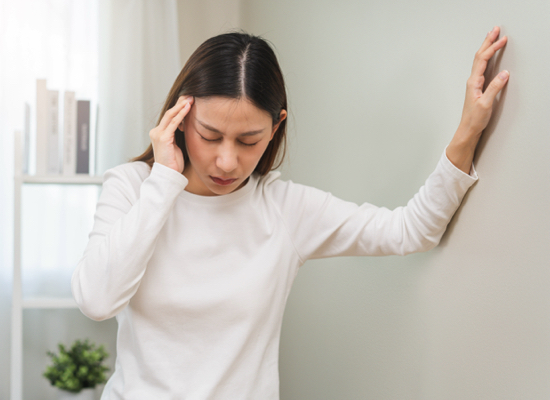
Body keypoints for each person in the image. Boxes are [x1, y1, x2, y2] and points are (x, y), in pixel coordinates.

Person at [72, 28, 509, 399]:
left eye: (248, 140)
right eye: (210, 135)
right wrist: (164, 183)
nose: (227, 161)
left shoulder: (283, 209)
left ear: (276, 127)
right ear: (180, 118)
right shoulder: (133, 187)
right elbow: (96, 300)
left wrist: (469, 130)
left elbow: (410, 231)